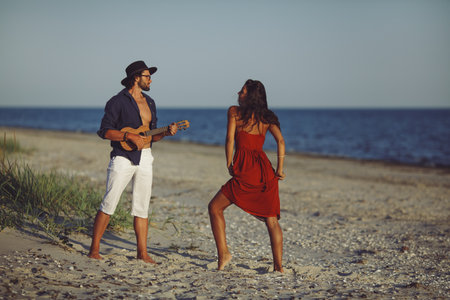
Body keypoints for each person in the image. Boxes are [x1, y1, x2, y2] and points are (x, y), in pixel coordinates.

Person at [88, 60, 178, 263]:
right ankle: (94, 249)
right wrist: (128, 136)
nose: (150, 80)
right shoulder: (117, 101)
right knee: (109, 202)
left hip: (146, 157)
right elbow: (104, 131)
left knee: (142, 206)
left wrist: (166, 132)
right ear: (136, 78)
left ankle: (142, 253)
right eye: (147, 76)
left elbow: (151, 136)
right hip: (123, 157)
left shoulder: (151, 102)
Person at [208, 79, 286, 272]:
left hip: (245, 171)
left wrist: (229, 163)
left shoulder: (234, 112)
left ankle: (224, 254)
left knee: (214, 208)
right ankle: (278, 267)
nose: (238, 93)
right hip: (264, 172)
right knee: (271, 220)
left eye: (242, 91)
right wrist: (279, 169)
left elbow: (229, 140)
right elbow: (281, 142)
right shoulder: (267, 118)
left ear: (250, 96)